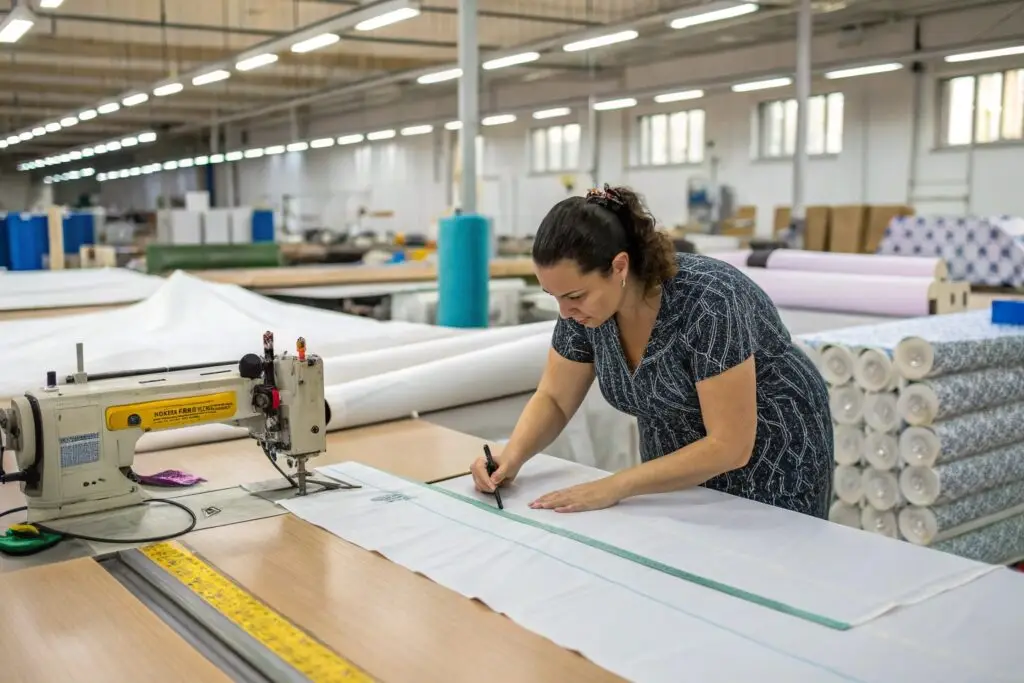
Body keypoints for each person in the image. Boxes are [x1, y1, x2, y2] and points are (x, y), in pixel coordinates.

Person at [470, 184, 834, 518]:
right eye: (555, 297)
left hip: (771, 451)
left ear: (619, 266)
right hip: (678, 461)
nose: (565, 312)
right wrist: (511, 457)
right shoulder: (587, 314)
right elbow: (555, 398)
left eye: (575, 296)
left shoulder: (709, 302)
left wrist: (615, 485)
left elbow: (730, 444)